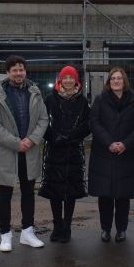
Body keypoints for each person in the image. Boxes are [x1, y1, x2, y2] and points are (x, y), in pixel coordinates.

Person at [0, 54, 49, 252]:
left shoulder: (35, 94)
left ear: (25, 71)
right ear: (7, 73)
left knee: (28, 192)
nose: (18, 73)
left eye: (21, 69)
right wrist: (16, 143)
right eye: (14, 70)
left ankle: (27, 232)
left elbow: (43, 120)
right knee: (5, 193)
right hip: (7, 151)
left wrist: (31, 140)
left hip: (29, 151)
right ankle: (5, 235)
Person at [88, 68, 134, 243]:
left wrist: (126, 144)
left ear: (124, 81)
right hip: (104, 153)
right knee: (105, 194)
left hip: (125, 154)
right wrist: (110, 143)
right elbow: (94, 122)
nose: (116, 81)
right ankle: (105, 229)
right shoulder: (100, 99)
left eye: (119, 78)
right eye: (113, 78)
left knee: (123, 194)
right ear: (108, 81)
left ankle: (121, 229)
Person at [38, 66, 90, 243]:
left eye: (71, 77)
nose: (68, 81)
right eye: (65, 77)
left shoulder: (82, 100)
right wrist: (54, 137)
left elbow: (87, 124)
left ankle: (67, 226)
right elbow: (42, 122)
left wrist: (72, 136)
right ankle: (57, 225)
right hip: (54, 150)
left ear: (76, 80)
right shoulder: (50, 99)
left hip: (74, 151)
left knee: (71, 190)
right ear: (60, 80)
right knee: (55, 190)